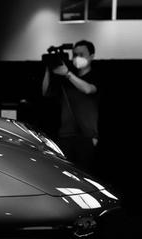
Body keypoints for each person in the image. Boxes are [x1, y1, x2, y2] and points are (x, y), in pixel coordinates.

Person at [42, 40, 100, 171]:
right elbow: (46, 92)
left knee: (85, 174)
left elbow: (88, 89)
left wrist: (67, 73)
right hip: (65, 135)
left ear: (91, 56)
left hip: (87, 136)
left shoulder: (95, 76)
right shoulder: (66, 78)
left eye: (81, 54)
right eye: (74, 55)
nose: (77, 58)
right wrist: (49, 69)